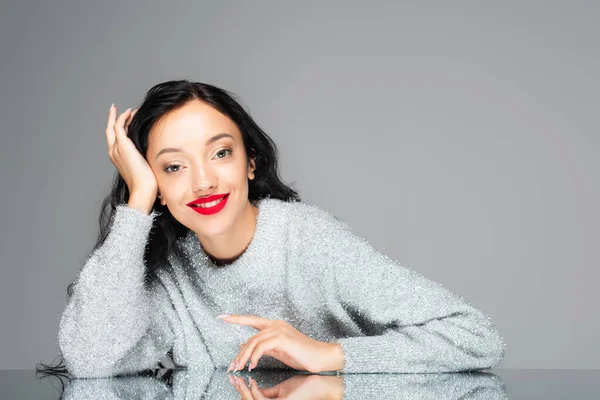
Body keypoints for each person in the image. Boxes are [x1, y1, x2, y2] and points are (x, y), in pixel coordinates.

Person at [37, 80, 506, 379]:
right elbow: (92, 360)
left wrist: (329, 356)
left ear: (250, 163)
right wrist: (137, 202)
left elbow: (475, 336)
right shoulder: (170, 272)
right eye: (173, 167)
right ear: (158, 187)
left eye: (221, 153)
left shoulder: (308, 241)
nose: (203, 181)